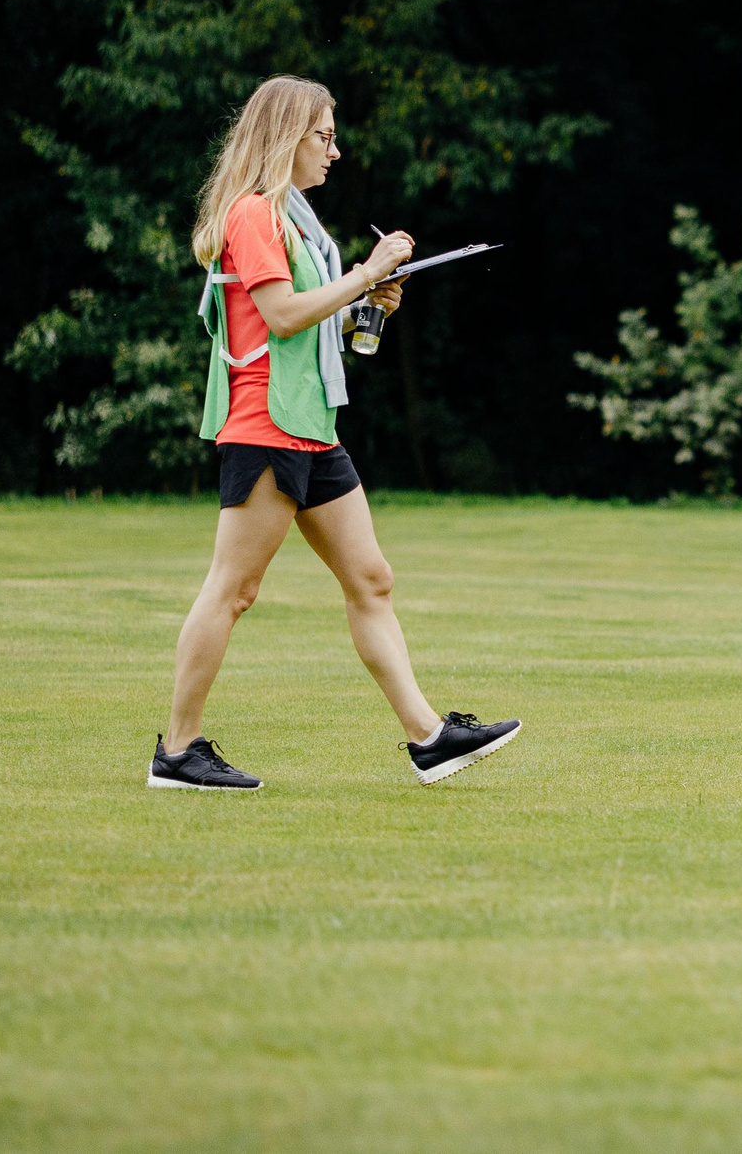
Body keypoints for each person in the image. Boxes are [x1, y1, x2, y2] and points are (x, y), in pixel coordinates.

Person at [148, 75, 520, 791]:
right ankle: (178, 750)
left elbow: (317, 327)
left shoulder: (298, 219)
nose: (336, 150)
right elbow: (283, 315)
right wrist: (363, 274)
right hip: (265, 426)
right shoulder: (255, 214)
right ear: (288, 135)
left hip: (312, 427)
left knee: (371, 578)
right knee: (234, 587)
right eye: (324, 135)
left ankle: (429, 739)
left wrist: (369, 302)